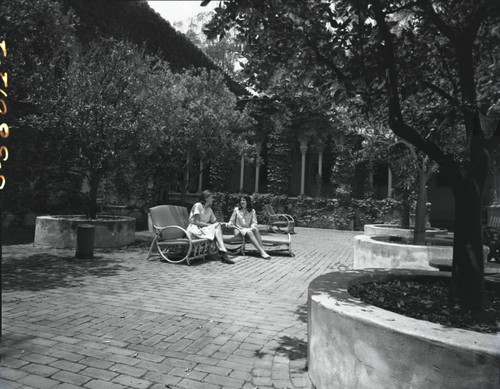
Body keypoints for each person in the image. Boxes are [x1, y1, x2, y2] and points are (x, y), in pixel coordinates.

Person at [187, 190, 234, 264]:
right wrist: (211, 225)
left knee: (217, 226)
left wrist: (224, 224)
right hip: (194, 230)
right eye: (211, 197)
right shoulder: (198, 205)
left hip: (203, 230)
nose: (213, 199)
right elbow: (197, 222)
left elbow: (215, 222)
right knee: (215, 227)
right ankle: (222, 251)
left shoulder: (209, 210)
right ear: (206, 198)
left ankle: (222, 250)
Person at [228, 195, 271, 259]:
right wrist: (229, 224)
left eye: (244, 200)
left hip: (247, 229)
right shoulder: (236, 210)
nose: (242, 202)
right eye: (241, 200)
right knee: (250, 232)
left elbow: (254, 222)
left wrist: (253, 226)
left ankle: (262, 250)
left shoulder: (252, 211)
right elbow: (231, 221)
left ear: (247, 201)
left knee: (255, 229)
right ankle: (262, 252)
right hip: (238, 229)